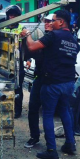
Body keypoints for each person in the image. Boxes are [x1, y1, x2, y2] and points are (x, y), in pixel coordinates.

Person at [20, 10, 80, 159]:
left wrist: (27, 35)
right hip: (68, 82)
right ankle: (70, 144)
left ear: (61, 22)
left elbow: (32, 47)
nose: (51, 23)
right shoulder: (73, 40)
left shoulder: (53, 36)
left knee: (47, 114)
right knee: (65, 111)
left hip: (52, 83)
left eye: (53, 21)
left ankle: (51, 150)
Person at [24, 14, 54, 149]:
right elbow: (34, 51)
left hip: (53, 81)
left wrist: (28, 35)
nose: (47, 23)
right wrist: (30, 60)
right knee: (33, 108)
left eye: (50, 21)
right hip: (39, 78)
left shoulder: (56, 38)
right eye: (46, 21)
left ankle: (59, 142)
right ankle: (34, 136)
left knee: (55, 111)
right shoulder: (44, 37)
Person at [2, 5, 28, 119]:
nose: (12, 16)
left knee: (18, 87)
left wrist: (28, 60)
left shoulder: (22, 28)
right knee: (4, 86)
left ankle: (17, 110)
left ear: (18, 16)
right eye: (10, 14)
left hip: (18, 63)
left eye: (14, 15)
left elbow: (27, 46)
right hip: (4, 62)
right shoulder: (3, 27)